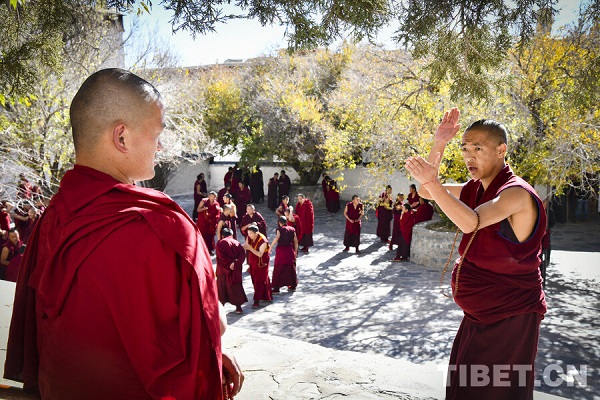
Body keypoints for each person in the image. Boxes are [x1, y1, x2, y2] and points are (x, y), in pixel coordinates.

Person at [3, 69, 243, 400]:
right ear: (122, 137)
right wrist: (212, 352)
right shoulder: (161, 228)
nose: (160, 145)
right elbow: (206, 329)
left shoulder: (52, 217)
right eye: (157, 133)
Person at [405, 107, 547, 399]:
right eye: (465, 148)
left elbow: (471, 222)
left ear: (501, 150)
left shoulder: (516, 193)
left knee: (496, 391)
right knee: (467, 388)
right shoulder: (476, 187)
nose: (469, 156)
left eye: (478, 148)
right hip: (477, 314)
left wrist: (432, 181)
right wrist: (439, 143)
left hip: (510, 315)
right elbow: (428, 192)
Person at [215, 228, 248, 314]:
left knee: (222, 289)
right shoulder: (237, 243)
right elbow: (242, 255)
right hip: (234, 270)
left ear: (223, 235)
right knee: (235, 287)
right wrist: (235, 263)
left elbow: (221, 256)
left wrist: (229, 263)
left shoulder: (220, 243)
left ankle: (220, 307)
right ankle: (238, 308)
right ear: (232, 235)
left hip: (222, 270)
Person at [243, 224, 273, 309]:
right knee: (255, 278)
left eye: (250, 234)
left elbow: (260, 254)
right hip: (253, 261)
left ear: (256, 233)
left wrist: (250, 248)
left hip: (262, 263)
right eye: (248, 233)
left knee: (259, 280)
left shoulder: (263, 241)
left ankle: (256, 300)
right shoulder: (250, 236)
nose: (249, 235)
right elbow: (246, 245)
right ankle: (266, 296)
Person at [270, 216, 298, 293]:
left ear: (279, 223)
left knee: (279, 268)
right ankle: (292, 285)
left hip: (281, 252)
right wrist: (295, 251)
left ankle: (276, 288)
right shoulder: (292, 229)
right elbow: (295, 241)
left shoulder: (279, 229)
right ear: (286, 222)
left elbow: (277, 238)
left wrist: (270, 247)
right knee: (290, 268)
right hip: (290, 251)